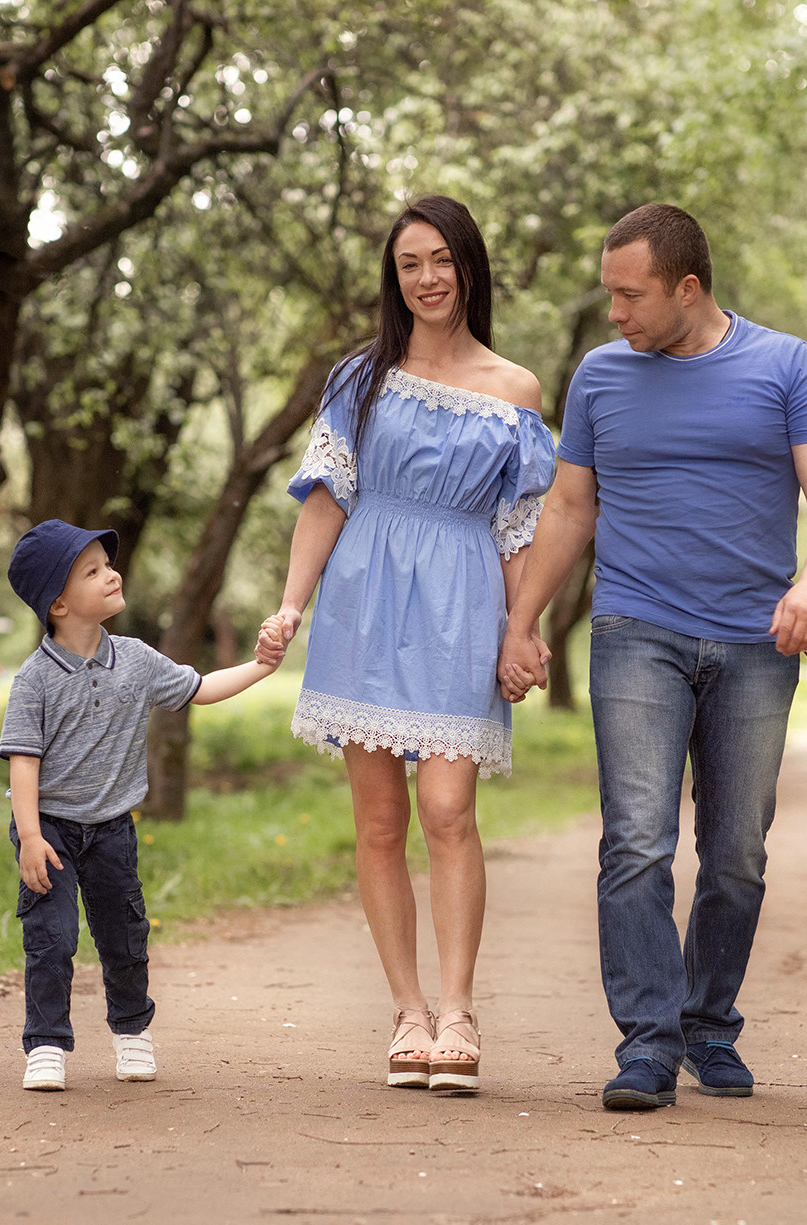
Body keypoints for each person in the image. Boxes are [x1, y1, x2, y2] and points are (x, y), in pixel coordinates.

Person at [498, 203, 807, 1111]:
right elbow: (570, 507)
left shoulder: (784, 366)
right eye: (610, 294)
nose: (614, 313)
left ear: (687, 288)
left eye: (631, 295)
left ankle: (709, 1023)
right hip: (637, 630)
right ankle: (649, 1044)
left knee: (736, 854)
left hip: (754, 641)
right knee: (636, 841)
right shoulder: (601, 378)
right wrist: (522, 620)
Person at [260, 196, 555, 1094]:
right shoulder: (361, 377)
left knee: (450, 809)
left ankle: (459, 1010)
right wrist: (290, 606)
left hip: (462, 598)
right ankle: (408, 1015)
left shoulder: (517, 390)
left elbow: (521, 530)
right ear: (395, 278)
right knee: (380, 821)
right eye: (409, 265)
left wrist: (523, 627)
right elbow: (328, 497)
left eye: (441, 260)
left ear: (469, 264)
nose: (427, 279)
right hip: (364, 599)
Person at [0, 520, 284, 1092]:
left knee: (125, 937)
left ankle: (132, 1033)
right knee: (51, 940)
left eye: (109, 563)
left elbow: (198, 687)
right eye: (93, 570)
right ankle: (47, 1044)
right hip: (50, 829)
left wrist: (262, 667)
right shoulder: (35, 680)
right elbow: (23, 763)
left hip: (111, 830)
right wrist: (30, 837)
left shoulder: (135, 658)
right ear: (58, 603)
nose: (112, 574)